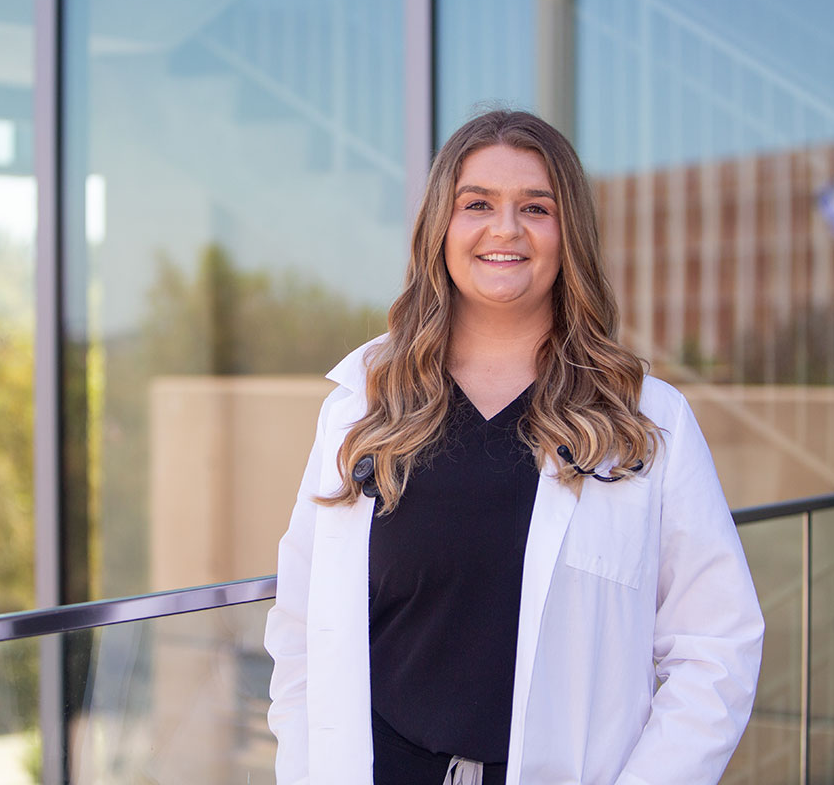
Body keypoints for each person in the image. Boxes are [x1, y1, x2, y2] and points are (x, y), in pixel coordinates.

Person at [264, 110, 764, 785]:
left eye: (536, 207)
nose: (506, 229)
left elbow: (716, 647)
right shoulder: (363, 405)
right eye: (477, 205)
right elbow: (299, 627)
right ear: (441, 227)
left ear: (569, 236)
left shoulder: (647, 419)